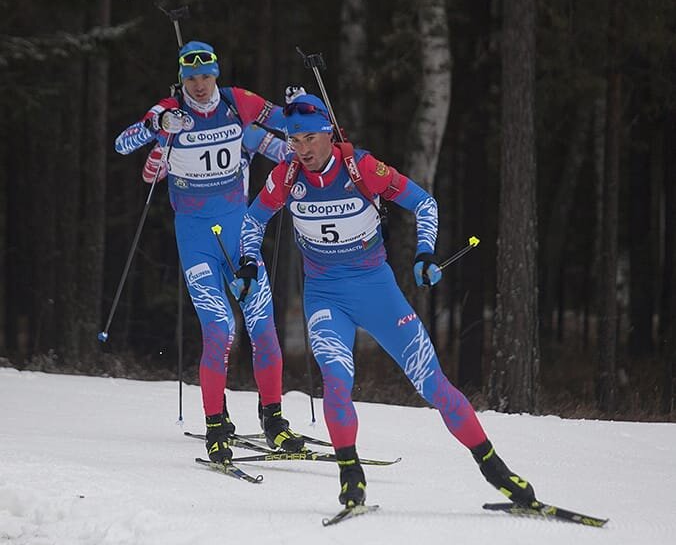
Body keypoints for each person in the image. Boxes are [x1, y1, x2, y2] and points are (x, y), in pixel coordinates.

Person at [233, 86, 537, 508]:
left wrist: (426, 251)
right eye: (294, 140)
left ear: (329, 133)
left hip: (377, 291)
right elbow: (251, 222)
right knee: (336, 384)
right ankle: (350, 478)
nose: (302, 149)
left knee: (434, 385)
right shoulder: (286, 177)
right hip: (324, 297)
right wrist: (248, 263)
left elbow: (424, 204)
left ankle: (496, 470)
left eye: (309, 138)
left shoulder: (362, 168)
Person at [114, 41, 304, 463]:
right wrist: (161, 125)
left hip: (241, 237)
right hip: (196, 239)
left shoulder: (239, 106)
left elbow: (291, 140)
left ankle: (273, 420)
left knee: (263, 326)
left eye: (206, 76)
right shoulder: (169, 112)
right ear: (182, 80)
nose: (199, 86)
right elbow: (123, 145)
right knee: (219, 329)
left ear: (216, 74)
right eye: (190, 78)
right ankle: (216, 426)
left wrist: (301, 107)